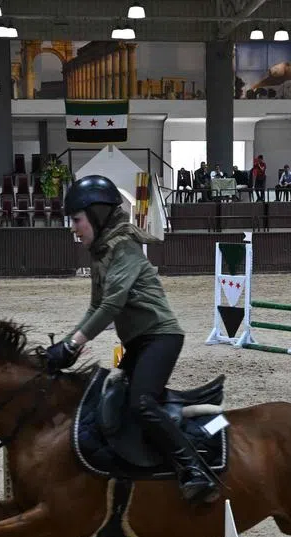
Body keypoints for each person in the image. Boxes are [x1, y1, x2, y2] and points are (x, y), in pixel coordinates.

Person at [44, 175, 220, 504]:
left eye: (77, 220)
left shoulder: (123, 247)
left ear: (95, 215)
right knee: (115, 398)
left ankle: (194, 470)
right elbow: (95, 306)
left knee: (141, 404)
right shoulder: (100, 253)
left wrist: (73, 343)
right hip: (139, 342)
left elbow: (112, 305)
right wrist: (67, 344)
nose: (73, 228)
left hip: (161, 337)